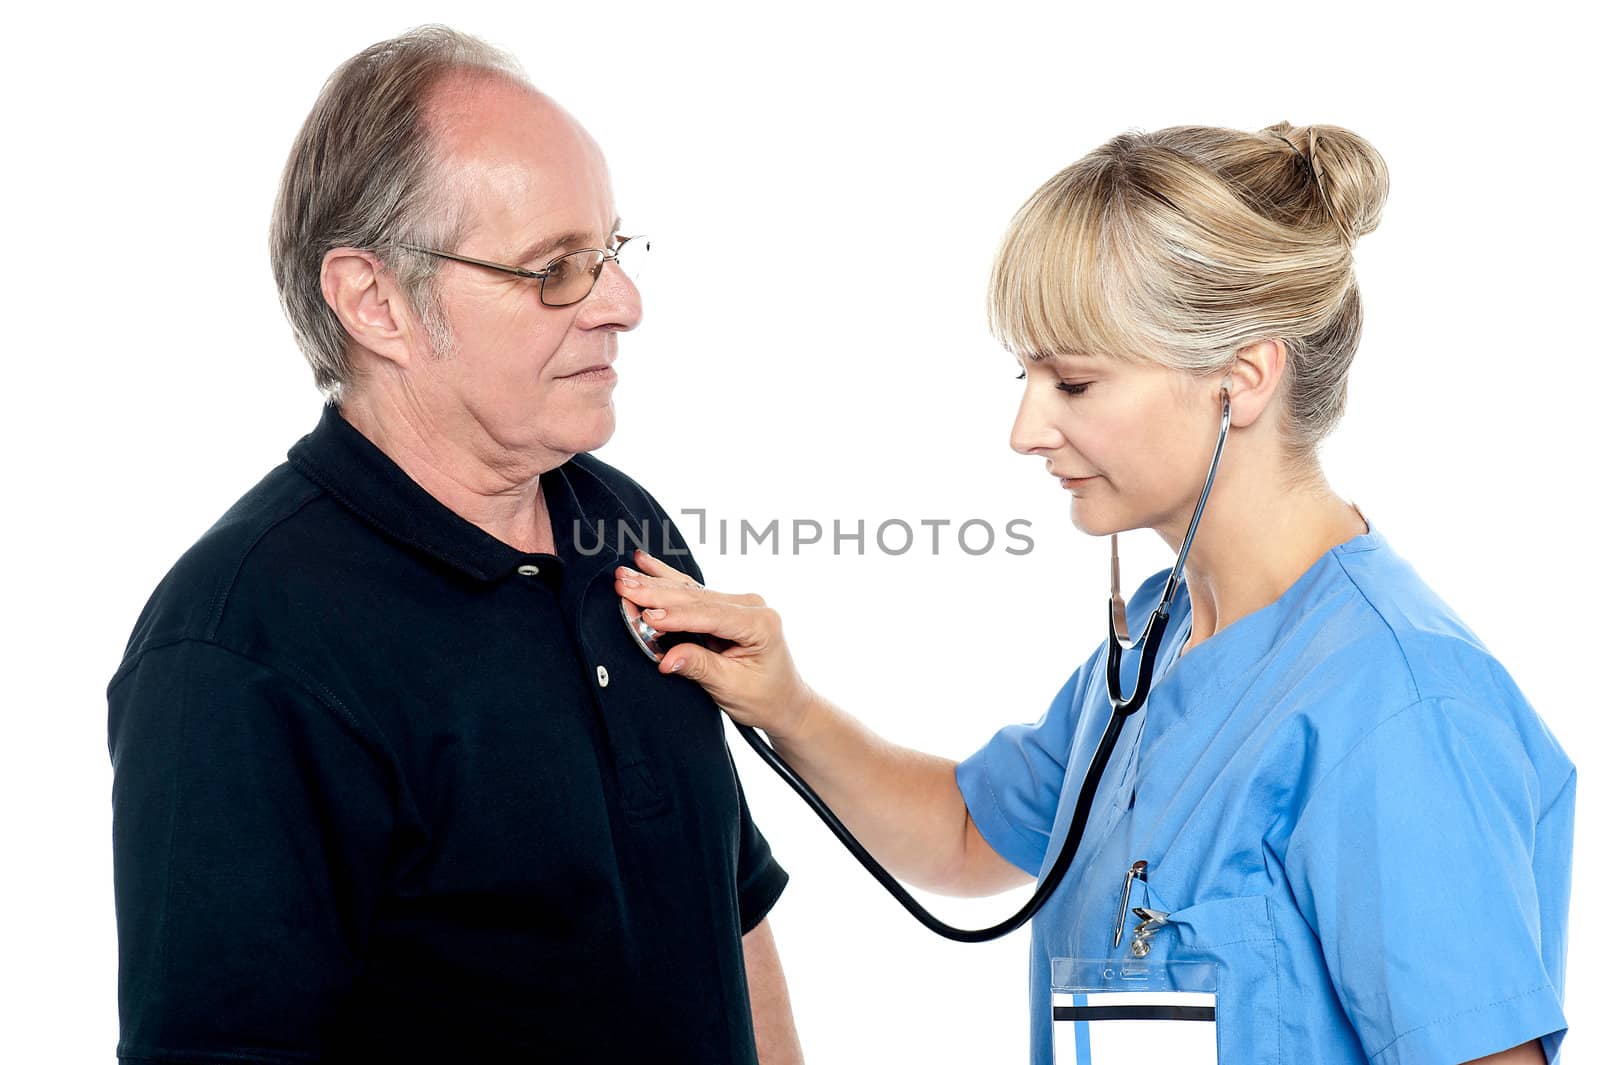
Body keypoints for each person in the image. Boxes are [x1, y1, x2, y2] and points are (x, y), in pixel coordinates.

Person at [615, 123, 1573, 1064]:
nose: (1025, 428)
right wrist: (784, 700)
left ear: (1242, 376)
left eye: (1072, 382)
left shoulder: (1398, 707)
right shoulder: (1161, 643)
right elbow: (961, 834)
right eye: (1025, 373)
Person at [106, 26, 800, 1065]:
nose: (624, 304)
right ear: (373, 300)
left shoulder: (621, 524)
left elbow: (726, 909)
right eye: (555, 269)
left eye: (610, 251)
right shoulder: (237, 652)